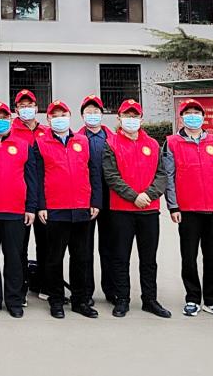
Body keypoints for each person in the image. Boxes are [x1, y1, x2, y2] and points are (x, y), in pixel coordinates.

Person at [163, 98, 213, 319]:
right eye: (188, 113)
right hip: (187, 209)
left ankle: (212, 300)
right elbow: (169, 176)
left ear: (203, 117)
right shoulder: (172, 143)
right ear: (181, 117)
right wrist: (173, 205)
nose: (192, 116)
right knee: (189, 256)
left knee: (212, 255)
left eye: (196, 112)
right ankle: (192, 298)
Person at [103, 99, 171, 319]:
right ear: (119, 118)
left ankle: (150, 299)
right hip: (121, 210)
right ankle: (122, 299)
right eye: (127, 116)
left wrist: (148, 195)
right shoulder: (111, 143)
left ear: (141, 119)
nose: (131, 120)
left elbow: (162, 175)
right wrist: (134, 196)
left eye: (135, 116)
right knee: (120, 257)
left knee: (148, 259)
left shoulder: (153, 144)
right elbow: (111, 176)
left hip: (149, 210)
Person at [33, 100, 101, 320]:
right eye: (55, 116)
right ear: (48, 119)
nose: (59, 119)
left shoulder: (82, 141)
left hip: (82, 207)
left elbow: (93, 173)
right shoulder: (40, 143)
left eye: (63, 115)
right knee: (54, 258)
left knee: (81, 257)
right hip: (55, 209)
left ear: (70, 116)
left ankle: (80, 300)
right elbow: (37, 177)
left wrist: (95, 201)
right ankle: (56, 300)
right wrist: (41, 205)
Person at [0, 102, 38, 318]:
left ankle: (14, 300)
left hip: (15, 212)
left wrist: (31, 207)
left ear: (11, 120)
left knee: (14, 259)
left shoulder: (23, 145)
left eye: (4, 117)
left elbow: (32, 179)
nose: (1, 121)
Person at [78, 94, 116, 305]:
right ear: (82, 115)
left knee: (109, 247)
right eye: (88, 112)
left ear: (102, 114)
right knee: (85, 248)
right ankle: (85, 291)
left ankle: (111, 289)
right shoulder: (76, 139)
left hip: (111, 199)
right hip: (86, 198)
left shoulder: (113, 138)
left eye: (96, 111)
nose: (92, 115)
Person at [11, 89, 48, 302]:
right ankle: (20, 288)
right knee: (20, 247)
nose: (26, 109)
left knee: (45, 244)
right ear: (16, 109)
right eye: (22, 106)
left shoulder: (46, 131)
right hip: (21, 198)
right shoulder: (11, 131)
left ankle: (43, 284)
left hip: (45, 198)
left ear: (36, 107)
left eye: (30, 105)